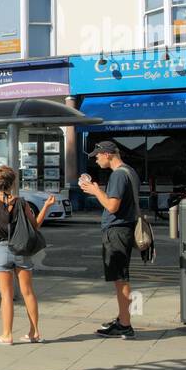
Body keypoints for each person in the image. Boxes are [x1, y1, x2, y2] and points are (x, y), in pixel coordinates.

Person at [0, 165, 54, 345]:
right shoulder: (22, 202)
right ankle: (34, 332)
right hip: (21, 249)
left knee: (6, 295)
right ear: (13, 183)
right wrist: (46, 206)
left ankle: (7, 335)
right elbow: (35, 225)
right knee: (28, 292)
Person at [79, 140, 139, 338]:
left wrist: (95, 191)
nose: (96, 160)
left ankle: (125, 325)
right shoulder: (129, 171)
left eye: (97, 155)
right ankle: (122, 318)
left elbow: (112, 206)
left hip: (117, 231)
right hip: (124, 229)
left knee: (120, 278)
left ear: (108, 154)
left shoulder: (118, 175)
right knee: (120, 277)